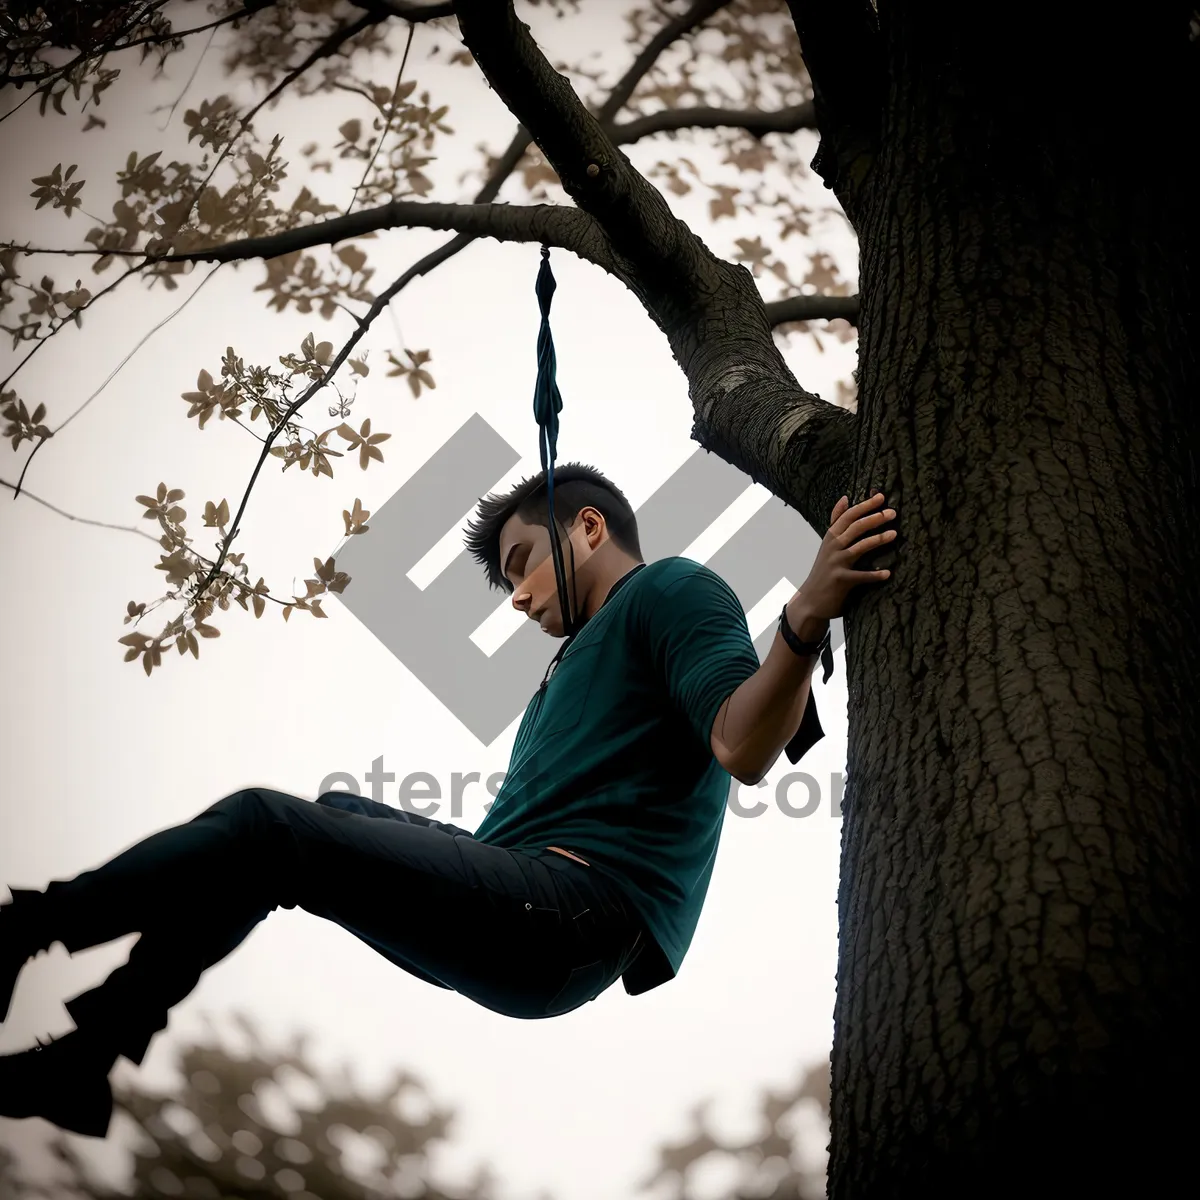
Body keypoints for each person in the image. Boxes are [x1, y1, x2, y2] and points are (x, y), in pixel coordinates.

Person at [0, 463, 896, 1137]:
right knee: (327, 810)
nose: (516, 597)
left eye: (519, 566)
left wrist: (805, 614)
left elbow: (742, 743)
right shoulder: (566, 667)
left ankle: (26, 930)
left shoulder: (673, 589)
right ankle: (87, 1060)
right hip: (524, 893)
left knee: (266, 825)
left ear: (587, 527)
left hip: (572, 911)